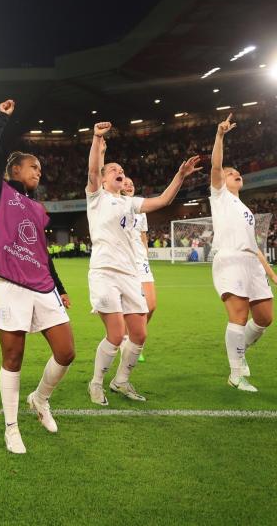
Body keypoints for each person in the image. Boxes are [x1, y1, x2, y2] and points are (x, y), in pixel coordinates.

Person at [0, 99, 75, 454]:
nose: (38, 171)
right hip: (8, 285)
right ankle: (11, 427)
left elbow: (41, 254)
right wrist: (1, 118)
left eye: (40, 168)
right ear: (13, 171)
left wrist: (60, 288)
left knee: (66, 352)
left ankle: (40, 398)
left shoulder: (37, 208)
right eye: (32, 167)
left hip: (43, 286)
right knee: (13, 358)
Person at [85, 121, 201, 406]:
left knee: (139, 333)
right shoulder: (96, 197)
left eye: (121, 172)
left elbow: (162, 200)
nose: (119, 173)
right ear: (102, 179)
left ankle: (120, 380)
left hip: (128, 274)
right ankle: (96, 383)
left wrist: (180, 176)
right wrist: (97, 139)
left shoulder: (130, 203)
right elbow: (93, 168)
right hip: (104, 272)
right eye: (114, 170)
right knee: (115, 334)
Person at [210, 114, 276, 392]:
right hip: (230, 261)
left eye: (237, 172)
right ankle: (236, 374)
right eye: (230, 172)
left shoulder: (246, 210)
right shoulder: (220, 196)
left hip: (252, 264)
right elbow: (215, 166)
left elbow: (255, 246)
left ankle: (240, 351)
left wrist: (272, 274)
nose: (235, 173)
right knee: (238, 315)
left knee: (264, 318)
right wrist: (220, 136)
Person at [121, 177, 155, 363]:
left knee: (151, 305)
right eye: (125, 182)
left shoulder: (141, 210)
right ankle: (130, 342)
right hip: (126, 261)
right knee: (135, 307)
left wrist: (146, 255)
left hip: (142, 261)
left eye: (132, 183)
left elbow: (143, 235)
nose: (129, 185)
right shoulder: (116, 206)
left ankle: (130, 337)